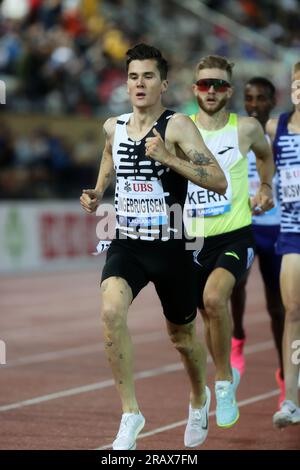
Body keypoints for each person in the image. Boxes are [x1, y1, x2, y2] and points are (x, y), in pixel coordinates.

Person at [80, 44, 227, 450]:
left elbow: (218, 180)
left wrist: (169, 157)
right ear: (125, 84)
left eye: (147, 76)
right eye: (132, 76)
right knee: (110, 311)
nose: (139, 83)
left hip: (172, 247)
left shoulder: (177, 126)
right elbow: (110, 162)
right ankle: (131, 413)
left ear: (163, 84)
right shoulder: (113, 125)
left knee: (181, 337)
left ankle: (200, 398)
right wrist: (97, 192)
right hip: (127, 242)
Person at [184, 55, 275, 428]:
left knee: (214, 298)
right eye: (204, 84)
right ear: (194, 88)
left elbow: (266, 156)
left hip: (235, 234)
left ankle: (223, 382)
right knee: (200, 318)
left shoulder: (247, 128)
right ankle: (203, 391)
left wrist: (265, 185)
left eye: (218, 84)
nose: (211, 90)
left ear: (229, 90)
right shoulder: (179, 127)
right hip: (191, 239)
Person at [230, 77, 285, 408]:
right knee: (234, 282)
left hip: (278, 228)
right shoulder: (238, 134)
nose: (254, 104)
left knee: (277, 308)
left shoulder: (285, 134)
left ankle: (283, 375)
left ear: (272, 101)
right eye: (249, 98)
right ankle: (237, 336)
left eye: (261, 98)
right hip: (245, 225)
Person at [267, 62, 300, 428]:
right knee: (292, 312)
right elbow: (261, 170)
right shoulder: (276, 128)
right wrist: (262, 191)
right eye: (296, 85)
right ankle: (291, 399)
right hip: (292, 232)